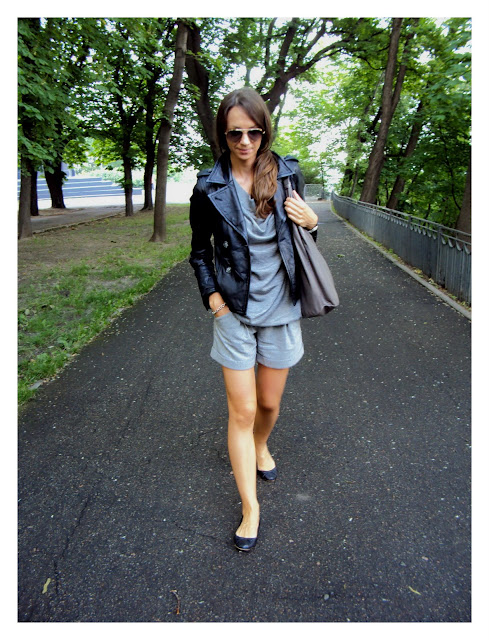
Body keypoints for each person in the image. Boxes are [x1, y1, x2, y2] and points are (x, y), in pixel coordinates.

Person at [189, 87, 319, 552]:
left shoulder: (287, 174)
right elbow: (199, 252)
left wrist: (313, 224)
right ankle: (250, 507)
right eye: (234, 134)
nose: (245, 141)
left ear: (265, 131)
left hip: (281, 309)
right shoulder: (209, 187)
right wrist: (215, 301)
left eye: (253, 132)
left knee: (268, 406)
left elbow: (301, 242)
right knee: (241, 411)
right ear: (222, 136)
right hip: (234, 312)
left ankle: (262, 444)